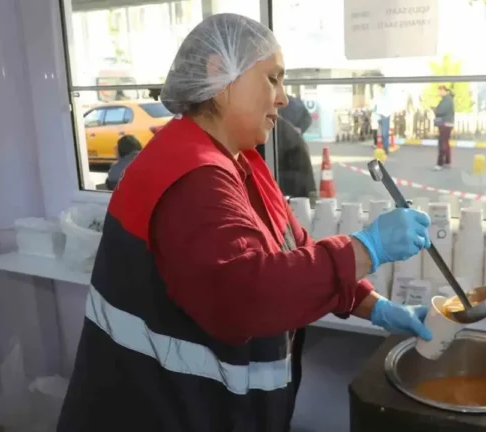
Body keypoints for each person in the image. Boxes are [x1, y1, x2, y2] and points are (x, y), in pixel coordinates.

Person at [57, 14, 433, 432]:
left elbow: (297, 254)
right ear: (221, 74)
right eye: (272, 79)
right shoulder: (190, 178)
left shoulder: (240, 163)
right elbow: (246, 296)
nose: (284, 98)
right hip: (162, 413)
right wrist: (367, 249)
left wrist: (373, 306)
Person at [433, 85, 455, 171]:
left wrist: (435, 109)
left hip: (445, 124)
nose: (439, 93)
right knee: (446, 143)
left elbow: (440, 111)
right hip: (447, 124)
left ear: (444, 91)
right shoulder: (447, 100)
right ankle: (447, 162)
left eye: (440, 91)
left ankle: (440, 163)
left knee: (442, 143)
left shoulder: (447, 100)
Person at [373, 84, 392, 153]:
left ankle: (385, 148)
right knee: (380, 133)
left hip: (385, 115)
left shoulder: (386, 93)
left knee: (384, 133)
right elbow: (376, 105)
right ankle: (382, 146)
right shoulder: (378, 95)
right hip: (379, 115)